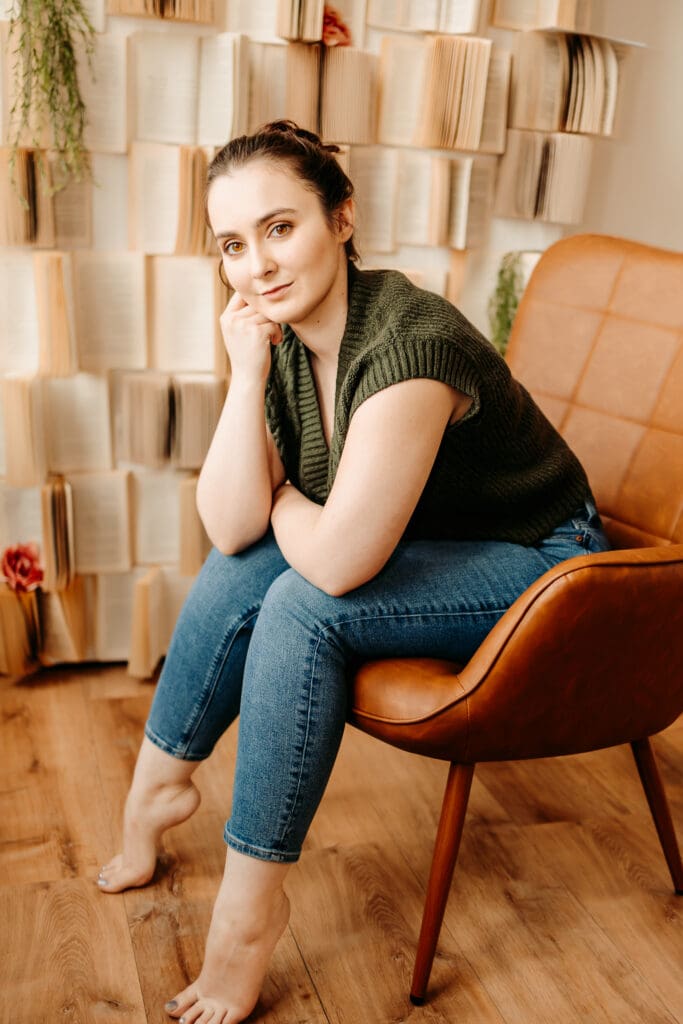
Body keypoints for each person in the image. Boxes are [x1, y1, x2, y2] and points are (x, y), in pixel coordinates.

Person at [97, 121, 610, 1023]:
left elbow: (333, 565)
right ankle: (155, 790)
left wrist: (287, 496)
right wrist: (247, 368)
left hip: (545, 561)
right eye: (231, 244)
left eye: (278, 227)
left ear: (341, 217)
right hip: (440, 545)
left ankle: (247, 921)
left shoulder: (407, 347)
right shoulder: (287, 335)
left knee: (299, 603)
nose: (256, 263)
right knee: (252, 557)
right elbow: (228, 524)